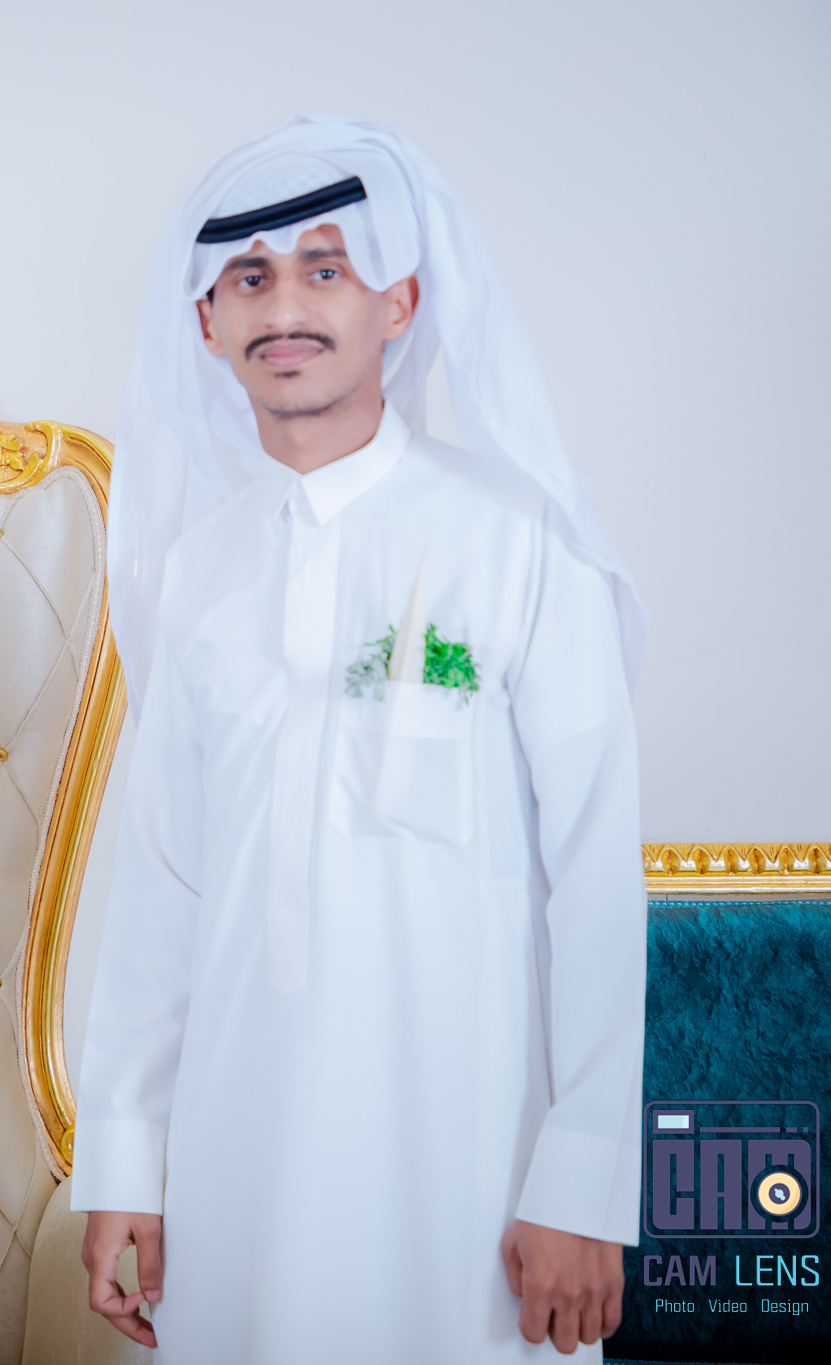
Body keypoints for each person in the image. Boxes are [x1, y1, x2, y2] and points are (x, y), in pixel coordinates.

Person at [74, 114, 648, 1361]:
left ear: (398, 302)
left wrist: (583, 1180)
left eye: (323, 269)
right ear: (204, 322)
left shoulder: (517, 536)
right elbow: (160, 889)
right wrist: (123, 1158)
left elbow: (596, 876)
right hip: (234, 1163)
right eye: (247, 278)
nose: (283, 307)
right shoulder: (197, 575)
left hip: (468, 1165)